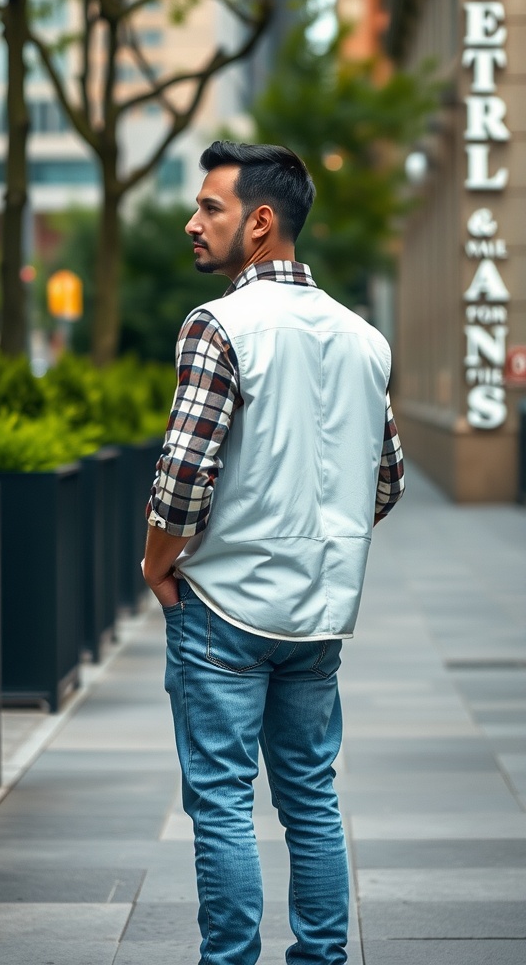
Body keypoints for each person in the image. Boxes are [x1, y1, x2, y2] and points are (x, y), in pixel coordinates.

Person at [143, 141, 405, 965]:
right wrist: (319, 535)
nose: (193, 223)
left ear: (260, 223)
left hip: (222, 608)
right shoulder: (364, 339)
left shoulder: (220, 325)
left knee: (221, 803)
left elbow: (183, 474)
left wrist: (157, 565)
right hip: (318, 616)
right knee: (312, 800)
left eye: (209, 208)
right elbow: (386, 478)